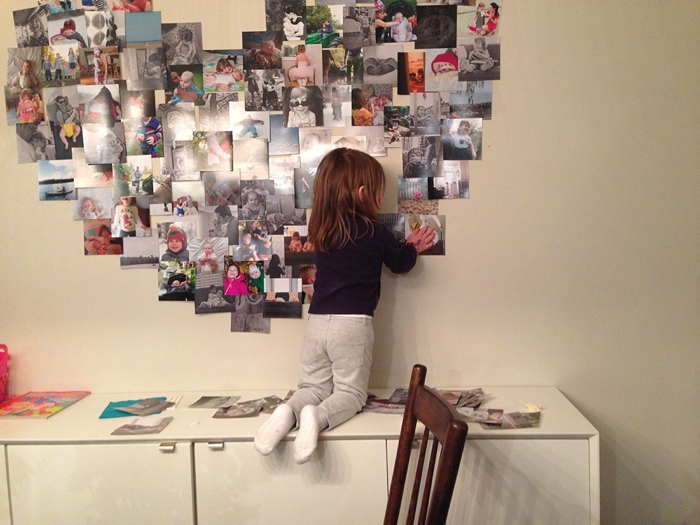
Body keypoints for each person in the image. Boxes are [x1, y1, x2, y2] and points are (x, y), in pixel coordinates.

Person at [254, 148, 435, 464]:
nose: (381, 197)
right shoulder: (374, 231)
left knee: (312, 387)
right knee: (351, 394)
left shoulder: (323, 230)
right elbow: (400, 263)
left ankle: (289, 410)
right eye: (379, 190)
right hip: (352, 325)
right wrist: (412, 246)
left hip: (317, 322)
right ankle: (318, 417)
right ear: (364, 194)